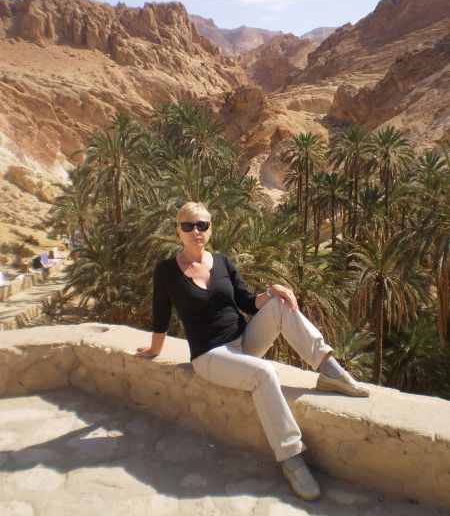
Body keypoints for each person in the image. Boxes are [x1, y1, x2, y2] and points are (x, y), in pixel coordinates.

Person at [136, 201, 369, 501]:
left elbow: (246, 302)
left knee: (281, 304)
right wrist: (154, 349)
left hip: (244, 341)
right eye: (188, 226)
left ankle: (329, 369)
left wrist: (272, 291)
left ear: (210, 230)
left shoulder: (223, 263)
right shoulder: (167, 271)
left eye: (202, 225)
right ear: (177, 230)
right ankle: (290, 457)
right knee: (265, 373)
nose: (196, 231)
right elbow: (161, 316)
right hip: (210, 356)